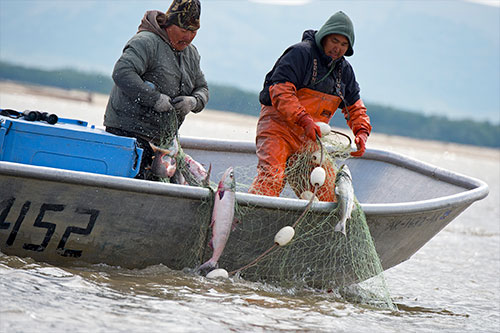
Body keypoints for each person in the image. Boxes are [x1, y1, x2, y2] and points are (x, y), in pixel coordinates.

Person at [248, 11, 371, 201]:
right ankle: (245, 224)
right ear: (324, 37)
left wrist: (362, 132)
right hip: (278, 130)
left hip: (309, 139)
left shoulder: (344, 71)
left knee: (327, 193)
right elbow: (280, 91)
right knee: (271, 179)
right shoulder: (300, 53)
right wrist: (304, 119)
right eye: (335, 41)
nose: (337, 48)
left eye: (344, 44)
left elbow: (355, 107)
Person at [104, 0, 208, 180]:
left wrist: (193, 102)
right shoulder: (146, 42)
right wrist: (154, 99)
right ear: (169, 24)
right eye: (184, 30)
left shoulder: (192, 53)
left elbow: (203, 88)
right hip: (127, 135)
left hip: (162, 142)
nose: (189, 37)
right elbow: (122, 72)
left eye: (194, 32)